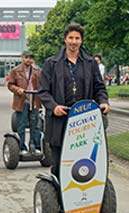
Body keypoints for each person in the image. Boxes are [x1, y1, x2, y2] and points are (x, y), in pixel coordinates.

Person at [38, 23, 109, 177]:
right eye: (71, 38)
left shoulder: (90, 63)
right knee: (59, 166)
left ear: (81, 41)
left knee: (83, 164)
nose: (74, 42)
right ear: (65, 39)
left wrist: (104, 101)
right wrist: (53, 107)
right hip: (60, 120)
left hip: (84, 121)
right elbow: (43, 91)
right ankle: (57, 198)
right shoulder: (51, 63)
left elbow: (99, 88)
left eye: (77, 38)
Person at [7, 51, 42, 155]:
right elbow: (10, 85)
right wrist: (18, 89)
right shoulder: (15, 70)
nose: (28, 60)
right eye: (26, 57)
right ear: (22, 58)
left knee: (35, 125)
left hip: (34, 100)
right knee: (21, 125)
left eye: (30, 58)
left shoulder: (37, 70)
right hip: (22, 101)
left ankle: (35, 146)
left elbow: (43, 83)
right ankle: (21, 147)